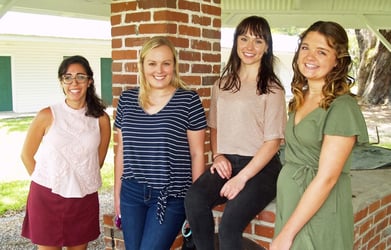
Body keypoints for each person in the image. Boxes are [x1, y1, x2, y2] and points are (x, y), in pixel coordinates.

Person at [184, 15, 287, 250]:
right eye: (244, 39)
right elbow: (215, 127)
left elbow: (273, 142)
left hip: (262, 168)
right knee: (194, 198)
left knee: (230, 223)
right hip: (227, 162)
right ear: (236, 42)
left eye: (258, 41)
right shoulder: (221, 85)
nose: (249, 47)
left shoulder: (272, 89)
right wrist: (218, 155)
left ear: (267, 47)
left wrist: (241, 178)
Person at [270, 21, 369, 250]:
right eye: (305, 48)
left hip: (320, 208)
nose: (310, 56)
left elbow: (327, 178)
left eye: (321, 51)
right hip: (293, 203)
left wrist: (287, 234)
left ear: (338, 61)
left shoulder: (342, 108)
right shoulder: (299, 99)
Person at [113, 36, 207, 250]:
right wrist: (117, 195)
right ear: (142, 66)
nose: (160, 70)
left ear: (174, 65)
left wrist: (196, 202)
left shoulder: (188, 101)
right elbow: (122, 152)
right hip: (131, 193)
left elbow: (197, 154)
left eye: (166, 63)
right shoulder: (127, 100)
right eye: (152, 63)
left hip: (171, 196)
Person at [20, 55, 111, 250]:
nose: (74, 83)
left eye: (80, 76)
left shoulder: (101, 119)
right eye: (67, 77)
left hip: (83, 197)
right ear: (62, 82)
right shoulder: (47, 115)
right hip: (46, 197)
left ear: (90, 81)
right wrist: (50, 181)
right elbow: (26, 155)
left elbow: (98, 161)